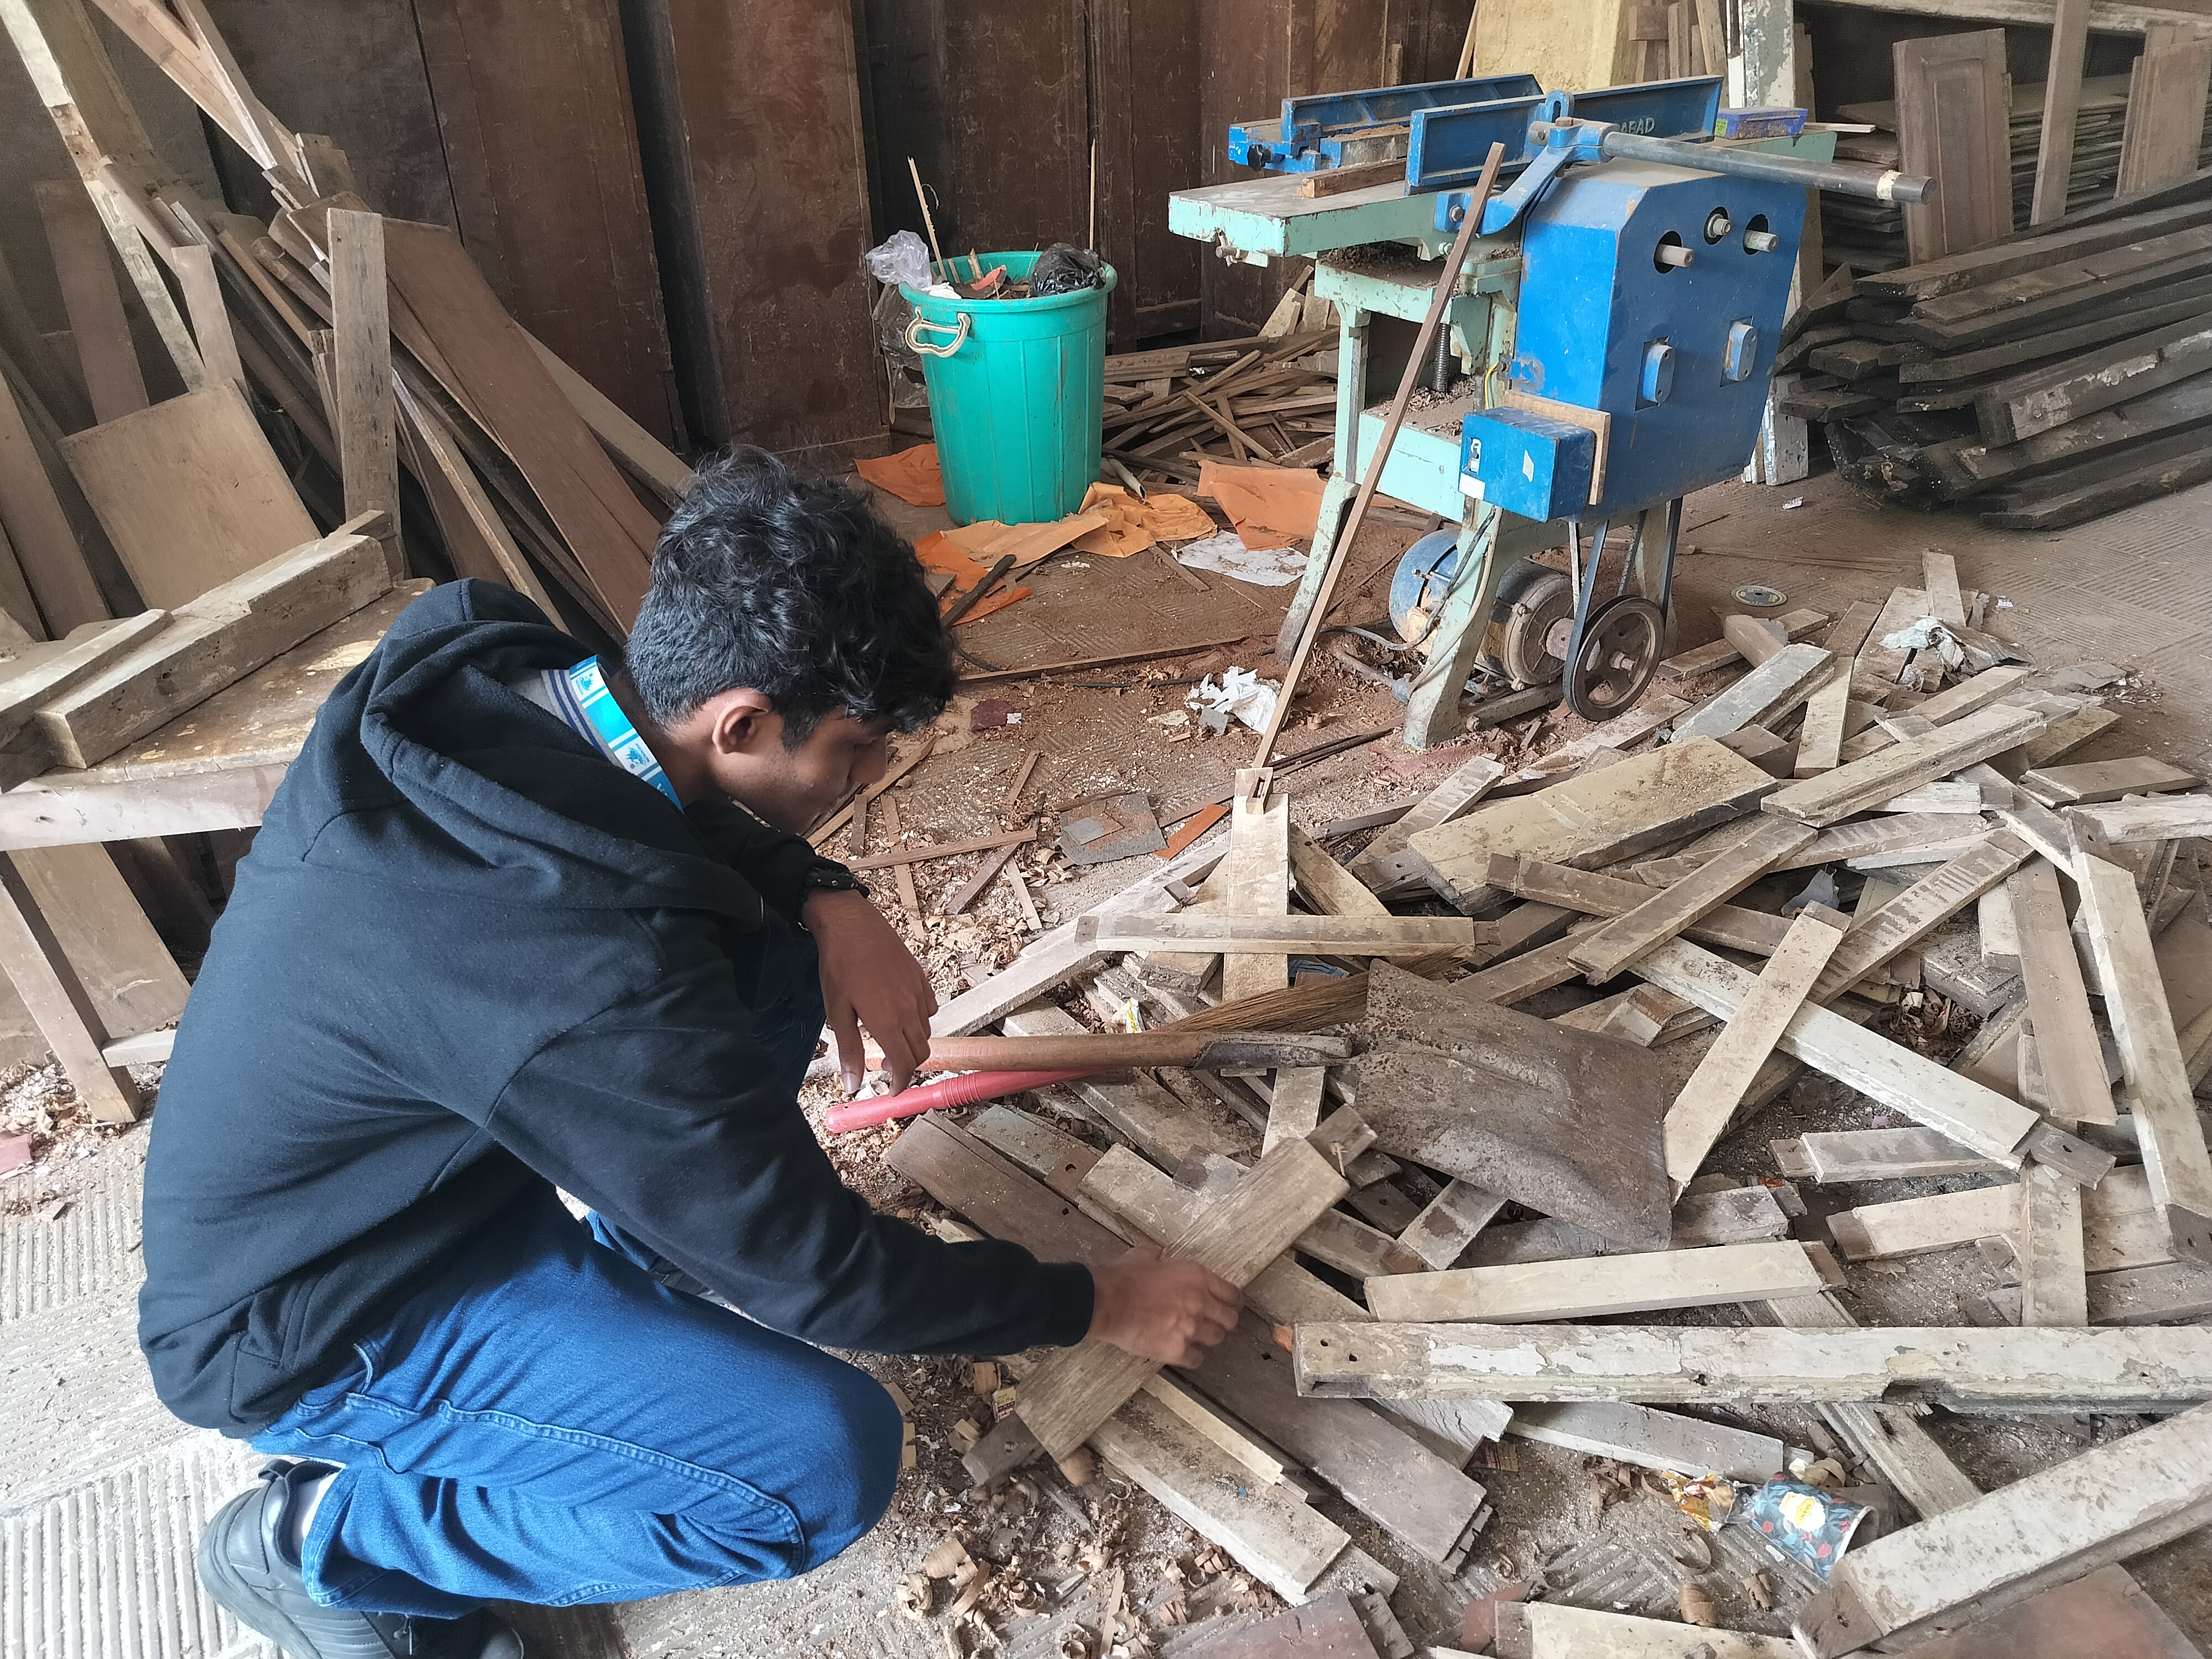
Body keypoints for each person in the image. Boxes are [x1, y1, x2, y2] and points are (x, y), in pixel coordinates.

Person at [137, 451, 1243, 1659]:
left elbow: (648, 826)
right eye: (858, 754)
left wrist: (826, 889)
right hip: (322, 1315)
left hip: (404, 1178)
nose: (870, 782)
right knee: (820, 1466)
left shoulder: (484, 670)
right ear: (743, 722)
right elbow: (821, 1280)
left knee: (765, 948)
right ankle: (328, 1544)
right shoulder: (587, 968)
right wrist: (1093, 1300)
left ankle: (651, 1270)